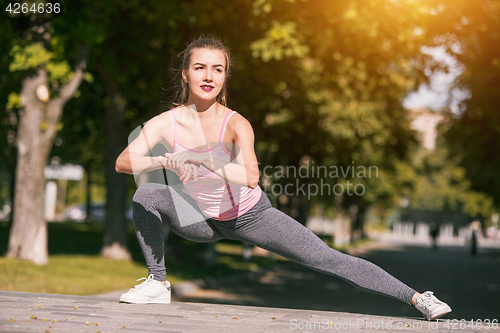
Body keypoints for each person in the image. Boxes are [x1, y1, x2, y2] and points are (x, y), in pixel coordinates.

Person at [115, 36, 452, 320]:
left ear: (225, 77)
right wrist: (168, 161)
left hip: (251, 216)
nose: (208, 76)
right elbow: (123, 161)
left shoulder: (235, 123)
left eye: (217, 69)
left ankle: (417, 298)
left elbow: (249, 176)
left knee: (326, 257)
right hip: (201, 219)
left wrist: (201, 159)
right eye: (200, 67)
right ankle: (158, 284)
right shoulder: (167, 122)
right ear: (185, 74)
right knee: (148, 195)